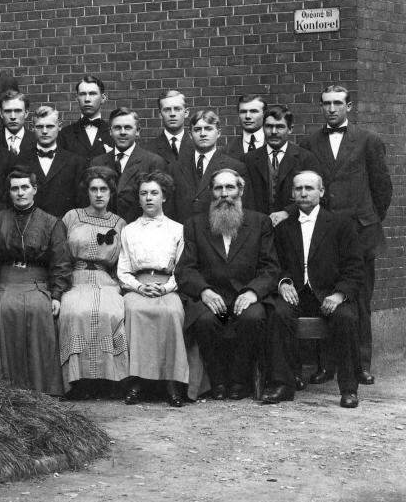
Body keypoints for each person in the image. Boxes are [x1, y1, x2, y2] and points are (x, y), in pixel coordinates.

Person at [301, 84, 391, 384]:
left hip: (361, 233)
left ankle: (361, 364)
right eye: (326, 103)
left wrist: (369, 220)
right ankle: (327, 365)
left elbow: (382, 189)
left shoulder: (368, 140)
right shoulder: (311, 141)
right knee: (325, 296)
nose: (332, 109)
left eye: (338, 103)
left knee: (359, 300)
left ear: (349, 106)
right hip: (325, 235)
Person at [263, 171, 364, 408]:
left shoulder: (341, 224)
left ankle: (349, 388)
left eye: (309, 188)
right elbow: (274, 264)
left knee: (346, 317)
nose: (304, 193)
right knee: (277, 313)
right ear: (292, 194)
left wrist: (339, 294)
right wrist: (283, 283)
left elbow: (355, 267)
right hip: (297, 293)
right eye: (298, 189)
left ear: (321, 192)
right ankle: (283, 384)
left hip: (330, 293)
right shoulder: (283, 228)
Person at [176, 168, 278, 401]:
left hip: (244, 300)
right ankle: (218, 380)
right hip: (215, 301)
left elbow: (270, 267)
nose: (224, 193)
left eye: (230, 187)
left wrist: (253, 292)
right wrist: (204, 291)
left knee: (251, 319)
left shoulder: (259, 222)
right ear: (211, 192)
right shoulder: (195, 224)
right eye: (218, 188)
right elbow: (186, 268)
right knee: (205, 320)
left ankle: (239, 380)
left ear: (240, 190)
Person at [0, 169, 71, 395]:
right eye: (15, 188)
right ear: (9, 192)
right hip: (6, 279)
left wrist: (57, 295)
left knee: (38, 309)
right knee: (1, 307)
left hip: (37, 280)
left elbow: (61, 264)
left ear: (34, 189)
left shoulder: (52, 223)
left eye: (24, 188)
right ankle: (1, 385)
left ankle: (41, 387)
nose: (20, 193)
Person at [116, 171, 191, 406]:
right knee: (134, 311)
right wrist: (139, 287)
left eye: (154, 193)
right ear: (138, 198)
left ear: (164, 197)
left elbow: (183, 268)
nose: (149, 198)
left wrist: (167, 288)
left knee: (171, 313)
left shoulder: (178, 230)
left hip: (168, 286)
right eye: (144, 193)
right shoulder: (129, 230)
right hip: (138, 287)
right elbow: (123, 270)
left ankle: (172, 382)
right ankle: (136, 381)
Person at [57, 166, 129, 398]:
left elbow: (124, 261)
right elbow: (60, 255)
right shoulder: (72, 217)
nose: (99, 194)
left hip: (106, 278)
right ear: (87, 192)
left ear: (111, 193)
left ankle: (109, 380)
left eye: (104, 189)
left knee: (110, 311)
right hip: (75, 278)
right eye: (94, 189)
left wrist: (119, 284)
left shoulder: (119, 223)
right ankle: (79, 382)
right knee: (74, 312)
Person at [89, 107, 168, 222]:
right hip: (104, 229)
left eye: (128, 127)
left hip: (139, 231)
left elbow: (161, 205)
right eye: (117, 128)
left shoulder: (153, 161)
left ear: (137, 131)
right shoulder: (97, 163)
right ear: (110, 131)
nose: (122, 132)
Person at [242, 104, 320, 219]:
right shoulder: (248, 159)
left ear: (290, 129)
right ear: (263, 128)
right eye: (269, 126)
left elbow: (315, 196)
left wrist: (288, 212)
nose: (273, 131)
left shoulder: (305, 158)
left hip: (293, 223)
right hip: (259, 226)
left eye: (280, 127)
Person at [167, 109, 245, 223]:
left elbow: (243, 207)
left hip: (218, 230)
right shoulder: (175, 167)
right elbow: (169, 207)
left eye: (208, 129)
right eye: (197, 129)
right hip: (184, 230)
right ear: (190, 135)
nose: (203, 134)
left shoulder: (235, 166)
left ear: (218, 133)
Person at [20, 105, 87, 219]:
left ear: (59, 126)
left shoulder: (76, 162)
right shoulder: (21, 160)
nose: (44, 131)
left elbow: (81, 202)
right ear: (32, 128)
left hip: (64, 227)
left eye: (50, 126)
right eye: (40, 127)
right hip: (30, 226)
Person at [56, 76, 114, 159]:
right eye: (82, 94)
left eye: (92, 94)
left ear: (103, 98)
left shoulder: (114, 133)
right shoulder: (65, 134)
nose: (87, 99)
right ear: (77, 98)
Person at [145, 89, 194, 166]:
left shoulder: (197, 147)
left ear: (186, 112)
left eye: (177, 109)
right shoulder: (148, 149)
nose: (172, 114)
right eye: (167, 110)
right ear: (160, 114)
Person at [0, 90, 35, 158]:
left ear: (26, 113)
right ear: (1, 113)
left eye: (18, 111)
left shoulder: (36, 140)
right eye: (7, 111)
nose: (13, 117)